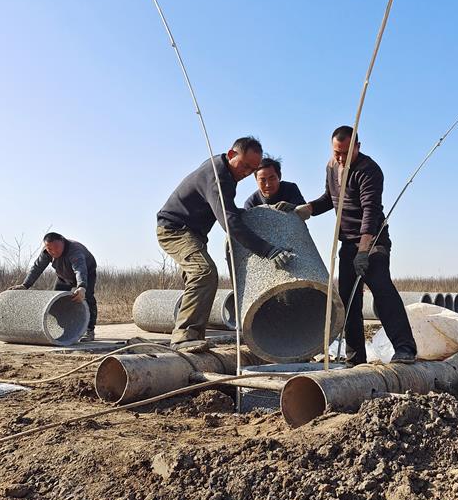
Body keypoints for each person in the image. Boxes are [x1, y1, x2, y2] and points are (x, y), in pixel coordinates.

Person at [295, 126, 417, 365]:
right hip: (348, 243)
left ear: (357, 148)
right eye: (336, 152)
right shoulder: (331, 167)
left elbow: (370, 212)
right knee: (348, 301)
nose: (340, 158)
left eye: (345, 153)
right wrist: (307, 209)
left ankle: (405, 348)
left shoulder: (369, 171)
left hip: (372, 242)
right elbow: (330, 199)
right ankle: (355, 358)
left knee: (382, 291)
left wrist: (364, 251)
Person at [156, 136, 295, 346]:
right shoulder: (217, 177)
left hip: (194, 234)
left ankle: (193, 338)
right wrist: (268, 251)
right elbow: (230, 223)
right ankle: (184, 336)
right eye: (245, 165)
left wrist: (266, 212)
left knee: (199, 279)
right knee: (204, 273)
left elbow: (233, 212)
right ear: (232, 154)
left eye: (252, 169)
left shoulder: (226, 173)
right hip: (175, 230)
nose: (247, 172)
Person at [8, 232, 98, 341]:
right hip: (63, 276)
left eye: (56, 247)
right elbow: (37, 268)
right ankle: (62, 328)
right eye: (50, 249)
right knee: (56, 302)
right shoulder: (47, 252)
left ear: (63, 242)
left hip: (86, 274)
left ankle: (89, 331)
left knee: (87, 298)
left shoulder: (75, 250)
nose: (53, 251)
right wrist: (25, 285)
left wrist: (82, 287)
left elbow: (80, 270)